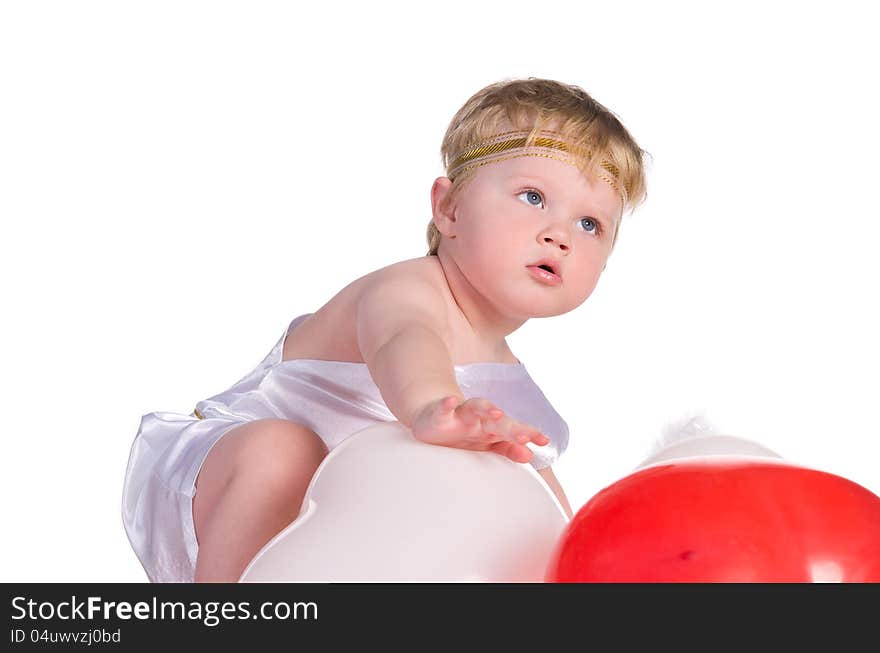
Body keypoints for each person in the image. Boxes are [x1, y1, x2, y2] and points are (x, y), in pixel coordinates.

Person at [121, 78, 648, 583]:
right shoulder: (408, 291)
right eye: (533, 197)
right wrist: (433, 407)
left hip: (349, 528)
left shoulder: (514, 396)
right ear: (450, 208)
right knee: (282, 453)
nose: (560, 236)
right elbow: (405, 343)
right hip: (229, 482)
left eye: (590, 225)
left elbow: (536, 504)